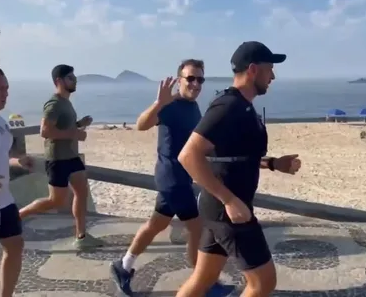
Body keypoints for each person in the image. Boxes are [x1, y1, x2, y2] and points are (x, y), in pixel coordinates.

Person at [175, 41, 302, 297]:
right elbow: (188, 156)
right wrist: (230, 200)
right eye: (270, 69)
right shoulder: (228, 107)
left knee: (204, 278)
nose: (273, 76)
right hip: (229, 212)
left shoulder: (242, 106)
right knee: (262, 283)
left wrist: (274, 164)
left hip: (221, 209)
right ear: (253, 69)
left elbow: (235, 156)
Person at [110, 59, 212, 296]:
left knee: (157, 224)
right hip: (172, 178)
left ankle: (123, 266)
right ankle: (201, 284)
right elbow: (140, 125)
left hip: (181, 178)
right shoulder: (170, 104)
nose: (196, 84)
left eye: (200, 79)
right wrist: (158, 103)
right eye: (191, 78)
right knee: (197, 227)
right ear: (179, 80)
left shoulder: (193, 107)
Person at [18, 64, 102, 249]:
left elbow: (64, 126)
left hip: (71, 157)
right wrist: (75, 133)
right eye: (71, 78)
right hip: (57, 159)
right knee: (55, 201)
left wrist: (79, 124)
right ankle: (17, 216)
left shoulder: (66, 102)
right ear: (59, 81)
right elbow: (45, 131)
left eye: (75, 78)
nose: (75, 81)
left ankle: (81, 236)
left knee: (81, 191)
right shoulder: (54, 103)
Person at [0, 66, 34, 297]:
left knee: (15, 245)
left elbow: (1, 154)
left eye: (7, 88)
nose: (5, 94)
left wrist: (17, 161)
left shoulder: (0, 122)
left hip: (4, 202)